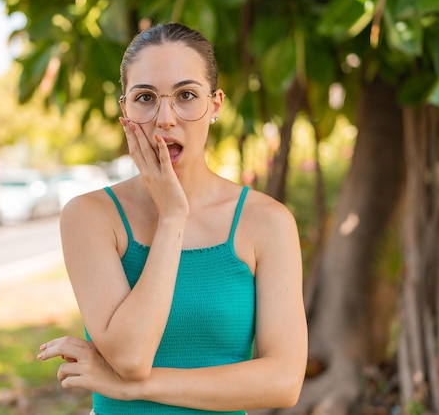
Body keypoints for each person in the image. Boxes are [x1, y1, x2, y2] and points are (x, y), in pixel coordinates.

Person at [37, 22, 307, 414]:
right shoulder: (90, 216)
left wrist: (131, 389)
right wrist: (172, 219)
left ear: (215, 105)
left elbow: (282, 382)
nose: (165, 118)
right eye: (145, 97)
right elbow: (130, 357)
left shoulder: (267, 221)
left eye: (186, 95)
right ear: (124, 110)